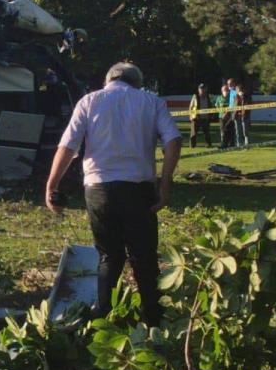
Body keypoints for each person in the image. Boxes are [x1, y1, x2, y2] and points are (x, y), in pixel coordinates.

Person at [44, 62, 182, 326]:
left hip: (99, 190)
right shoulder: (151, 102)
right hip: (137, 190)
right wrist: (164, 185)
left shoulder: (88, 101)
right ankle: (154, 320)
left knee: (109, 257)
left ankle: (105, 321)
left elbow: (68, 145)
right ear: (137, 82)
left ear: (108, 80)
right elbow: (173, 140)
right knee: (144, 258)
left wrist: (52, 185)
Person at [188, 83, 213, 148]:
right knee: (193, 133)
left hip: (206, 117)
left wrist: (211, 115)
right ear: (198, 89)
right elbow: (191, 107)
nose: (202, 90)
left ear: (206, 89)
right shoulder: (195, 96)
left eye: (203, 88)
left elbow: (211, 106)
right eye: (201, 88)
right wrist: (190, 116)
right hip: (196, 117)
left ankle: (208, 144)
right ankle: (192, 145)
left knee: (207, 132)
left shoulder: (209, 97)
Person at [218, 83, 234, 148]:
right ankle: (223, 144)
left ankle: (230, 144)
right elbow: (217, 106)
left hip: (229, 116)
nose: (226, 91)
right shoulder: (219, 98)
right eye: (224, 90)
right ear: (222, 91)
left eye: (227, 90)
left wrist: (226, 113)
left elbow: (232, 106)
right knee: (222, 131)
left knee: (229, 130)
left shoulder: (231, 97)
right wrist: (221, 112)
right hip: (221, 117)